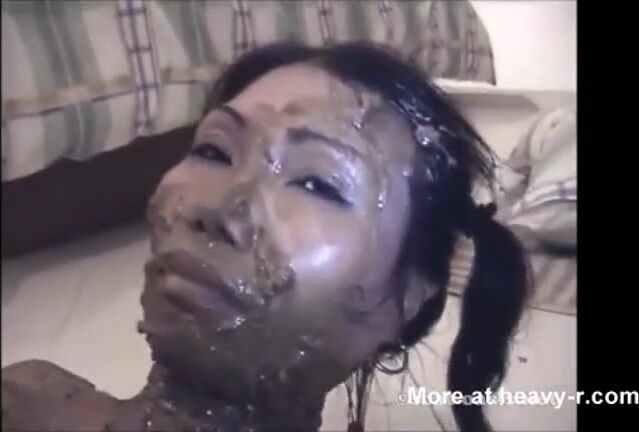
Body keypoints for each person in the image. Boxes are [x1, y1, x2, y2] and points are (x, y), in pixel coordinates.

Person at [2, 42, 529, 432]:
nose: (221, 208)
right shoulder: (23, 403)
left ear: (404, 301)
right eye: (213, 150)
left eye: (317, 182)